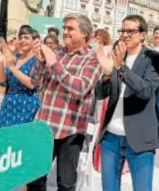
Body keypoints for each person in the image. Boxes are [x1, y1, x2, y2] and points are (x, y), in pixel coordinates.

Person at [27, 14, 103, 191]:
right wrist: (40, 62)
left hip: (70, 129)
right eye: (65, 27)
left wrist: (53, 63)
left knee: (66, 183)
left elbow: (80, 87)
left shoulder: (92, 59)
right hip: (45, 125)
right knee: (35, 179)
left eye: (70, 28)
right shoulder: (58, 53)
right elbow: (35, 82)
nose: (65, 31)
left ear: (84, 33)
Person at [95, 14, 159, 191]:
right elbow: (100, 94)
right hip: (111, 138)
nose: (125, 35)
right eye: (122, 31)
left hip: (140, 138)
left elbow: (146, 91)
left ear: (143, 35)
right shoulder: (118, 56)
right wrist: (107, 73)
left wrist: (121, 68)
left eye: (130, 31)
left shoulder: (153, 58)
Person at [0, 27, 41, 128]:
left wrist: (12, 68)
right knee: (4, 137)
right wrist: (1, 63)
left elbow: (32, 84)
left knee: (20, 137)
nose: (22, 40)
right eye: (20, 37)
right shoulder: (15, 58)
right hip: (8, 102)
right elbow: (2, 82)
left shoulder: (37, 60)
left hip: (26, 103)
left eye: (26, 37)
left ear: (34, 41)